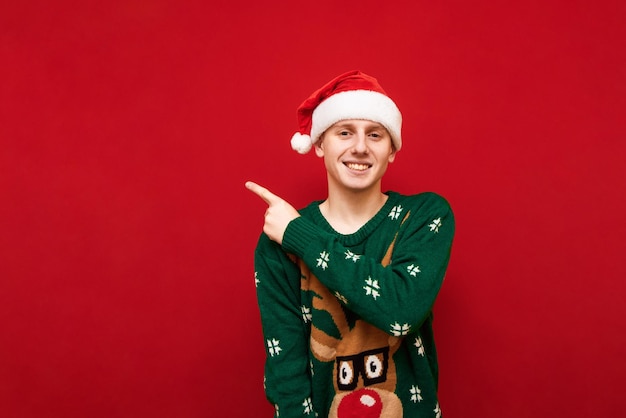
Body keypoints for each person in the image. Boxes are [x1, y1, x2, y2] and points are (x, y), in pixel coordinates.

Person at [246, 70, 455, 418]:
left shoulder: (424, 216)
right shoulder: (276, 243)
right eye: (344, 132)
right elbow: (287, 375)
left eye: (375, 134)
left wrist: (300, 236)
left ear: (392, 151)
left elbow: (401, 311)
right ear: (319, 144)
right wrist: (291, 235)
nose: (360, 147)